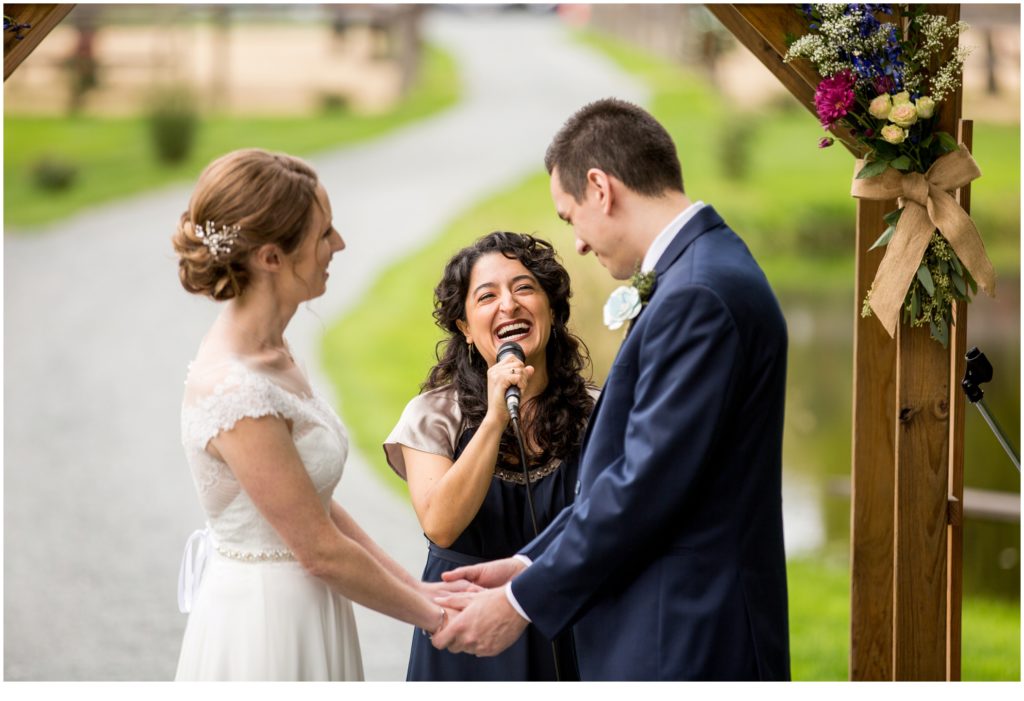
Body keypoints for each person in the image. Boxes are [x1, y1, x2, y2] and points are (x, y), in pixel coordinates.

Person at [431, 98, 791, 680]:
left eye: (570, 216)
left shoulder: (697, 293)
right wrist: (528, 562)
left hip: (684, 634)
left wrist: (522, 602)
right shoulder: (700, 271)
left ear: (600, 187)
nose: (574, 242)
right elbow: (626, 476)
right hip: (674, 627)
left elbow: (644, 485)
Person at [171, 148, 456, 680]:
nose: (339, 245)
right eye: (324, 233)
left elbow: (315, 505)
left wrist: (419, 588)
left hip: (312, 602)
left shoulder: (274, 353)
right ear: (272, 257)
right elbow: (319, 551)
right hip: (266, 623)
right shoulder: (235, 390)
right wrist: (438, 621)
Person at [384, 231, 596, 680]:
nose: (509, 305)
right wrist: (495, 417)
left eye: (524, 288)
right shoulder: (432, 415)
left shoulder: (598, 413)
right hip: (465, 640)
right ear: (464, 325)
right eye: (487, 296)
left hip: (569, 624)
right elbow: (441, 525)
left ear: (552, 309)